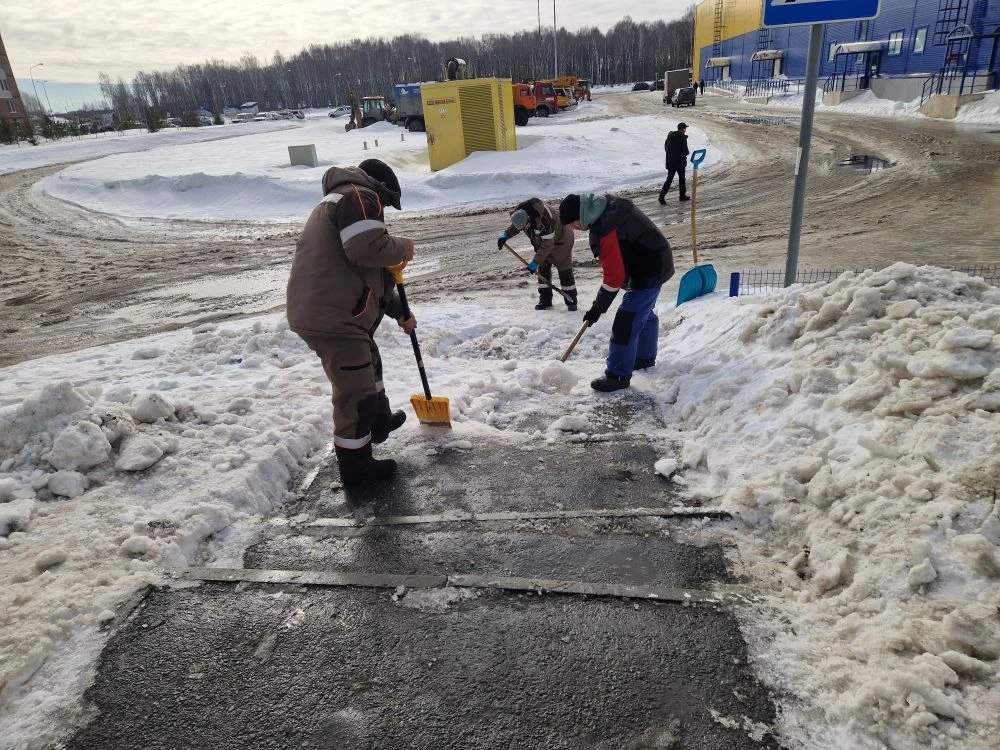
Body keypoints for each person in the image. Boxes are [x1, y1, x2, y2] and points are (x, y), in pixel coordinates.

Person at [286, 159, 416, 486]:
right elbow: (366, 248)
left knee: (369, 365)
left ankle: (379, 422)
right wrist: (403, 246)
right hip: (333, 318)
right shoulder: (359, 196)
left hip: (334, 314)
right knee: (355, 396)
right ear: (381, 189)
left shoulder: (343, 198)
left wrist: (400, 312)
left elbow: (368, 273)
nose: (383, 209)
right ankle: (357, 471)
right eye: (387, 202)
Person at [558, 193, 674, 392]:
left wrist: (597, 309)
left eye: (573, 223)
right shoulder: (607, 206)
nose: (573, 228)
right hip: (657, 259)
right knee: (642, 314)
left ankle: (618, 376)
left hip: (648, 270)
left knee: (626, 323)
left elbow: (613, 277)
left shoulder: (604, 230)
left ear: (582, 214)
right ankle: (644, 358)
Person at [497, 198, 577, 311]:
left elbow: (548, 245)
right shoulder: (521, 214)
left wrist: (535, 262)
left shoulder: (545, 219)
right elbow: (517, 226)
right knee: (543, 269)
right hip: (543, 241)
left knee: (564, 269)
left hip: (561, 241)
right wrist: (505, 235)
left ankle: (571, 300)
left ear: (529, 219)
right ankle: (545, 300)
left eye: (525, 226)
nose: (524, 229)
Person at [658, 122, 690, 204]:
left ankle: (661, 197)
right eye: (685, 128)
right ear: (683, 129)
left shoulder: (670, 136)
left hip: (671, 161)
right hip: (679, 162)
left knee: (669, 179)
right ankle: (682, 196)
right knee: (682, 179)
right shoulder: (682, 138)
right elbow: (686, 151)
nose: (685, 130)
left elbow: (666, 147)